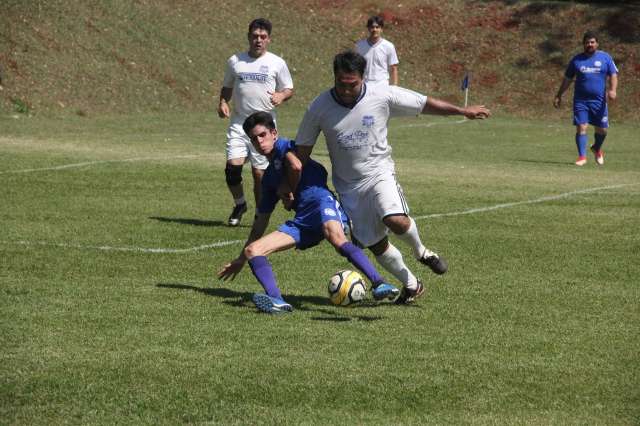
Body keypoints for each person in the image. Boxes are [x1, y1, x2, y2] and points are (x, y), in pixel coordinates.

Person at [294, 50, 490, 304]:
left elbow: (424, 103)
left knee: (395, 219)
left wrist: (461, 110)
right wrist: (294, 185)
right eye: (340, 83)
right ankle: (411, 284)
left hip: (379, 173)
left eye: (351, 84)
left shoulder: (382, 94)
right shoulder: (319, 107)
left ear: (362, 78)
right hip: (348, 187)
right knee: (375, 244)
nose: (345, 90)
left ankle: (421, 251)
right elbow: (301, 150)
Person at [217, 111, 399, 314]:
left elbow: (295, 166)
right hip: (302, 220)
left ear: (274, 133)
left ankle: (379, 283)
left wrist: (288, 189)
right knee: (254, 250)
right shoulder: (269, 179)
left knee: (336, 238)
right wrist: (241, 258)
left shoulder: (286, 146)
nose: (259, 141)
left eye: (262, 135)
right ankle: (277, 301)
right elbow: (260, 223)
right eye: (253, 138)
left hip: (321, 202)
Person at [217, 18, 294, 226]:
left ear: (268, 39)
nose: (258, 40)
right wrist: (223, 102)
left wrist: (281, 96)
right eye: (254, 36)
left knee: (259, 174)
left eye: (262, 37)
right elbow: (227, 87)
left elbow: (289, 88)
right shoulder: (235, 61)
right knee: (232, 168)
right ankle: (240, 203)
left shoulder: (277, 63)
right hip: (239, 123)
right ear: (248, 36)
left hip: (264, 127)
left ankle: (261, 215)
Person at [554, 30, 618, 166]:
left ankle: (596, 148)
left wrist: (613, 90)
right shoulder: (576, 60)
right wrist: (559, 95)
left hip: (599, 101)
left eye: (592, 42)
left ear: (597, 43)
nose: (590, 44)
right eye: (587, 42)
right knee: (581, 127)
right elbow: (567, 79)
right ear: (583, 44)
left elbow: (613, 74)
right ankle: (582, 156)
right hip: (581, 101)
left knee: (602, 130)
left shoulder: (605, 58)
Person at [355, 15, 399, 86]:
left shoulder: (389, 46)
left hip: (382, 84)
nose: (374, 29)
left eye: (377, 27)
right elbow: (356, 67)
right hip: (365, 84)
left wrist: (394, 86)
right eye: (372, 27)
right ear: (368, 29)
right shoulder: (360, 45)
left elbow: (393, 68)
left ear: (381, 29)